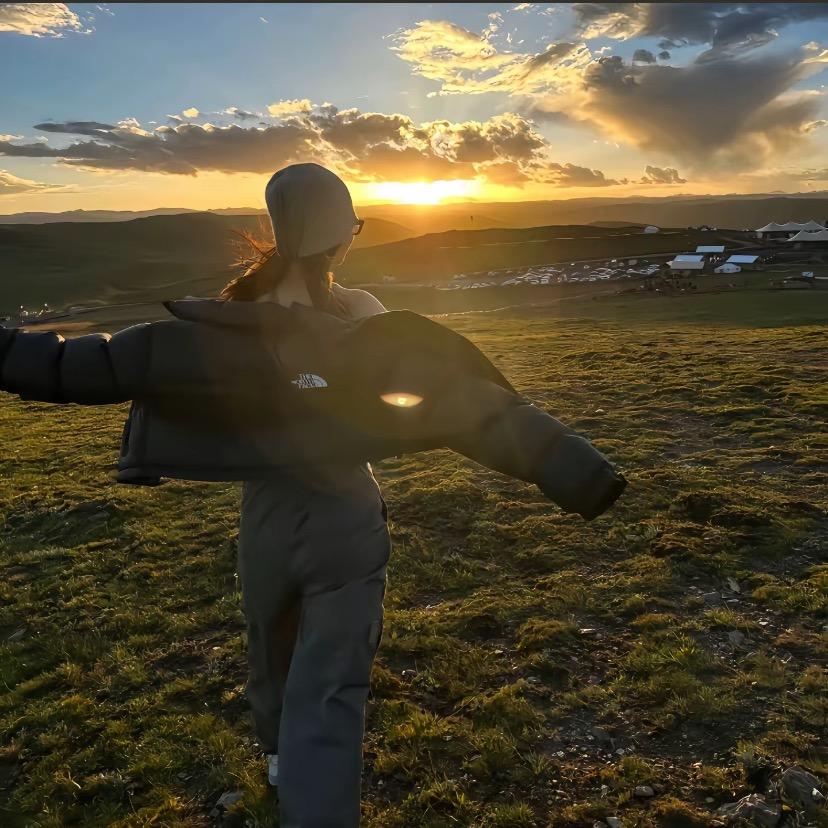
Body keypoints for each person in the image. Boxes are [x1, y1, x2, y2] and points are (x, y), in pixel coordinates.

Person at [221, 163, 390, 826]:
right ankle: (318, 791)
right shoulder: (363, 309)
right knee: (335, 671)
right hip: (347, 510)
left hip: (265, 514)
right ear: (341, 237)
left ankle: (275, 757)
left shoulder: (232, 313)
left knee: (270, 642)